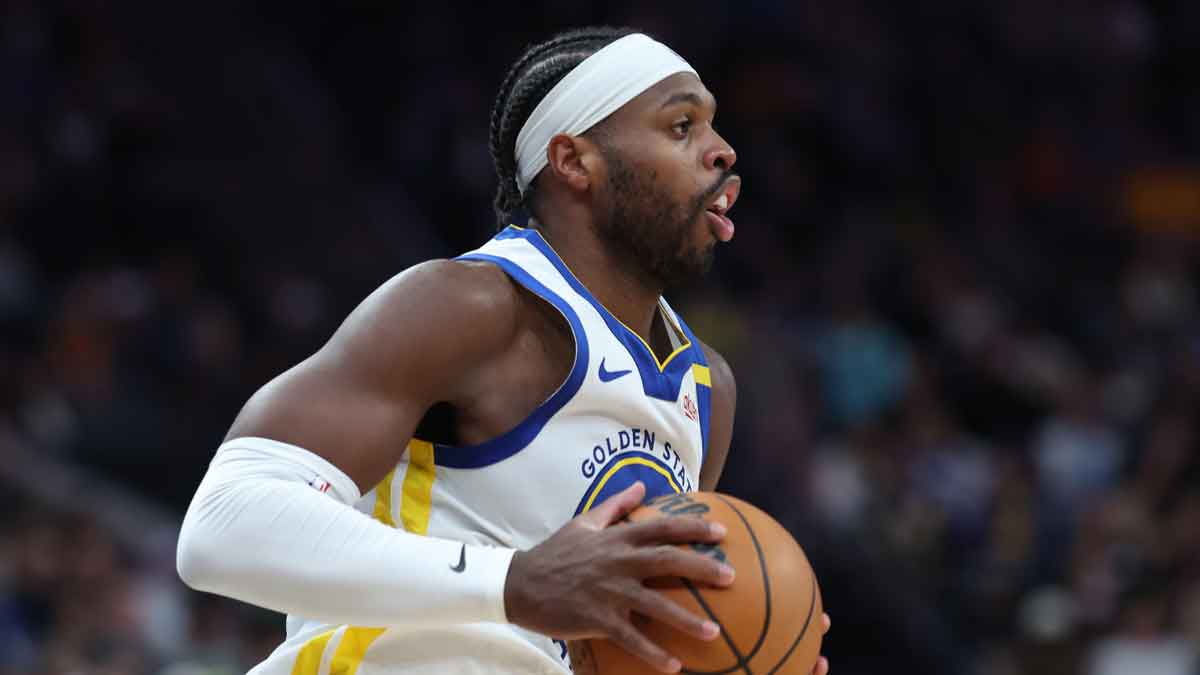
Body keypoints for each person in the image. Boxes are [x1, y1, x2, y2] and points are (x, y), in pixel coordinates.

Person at [176, 26, 831, 675]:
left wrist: (745, 649)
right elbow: (224, 527)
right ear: (574, 161)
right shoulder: (471, 305)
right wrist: (513, 581)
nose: (722, 152)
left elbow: (608, 644)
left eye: (714, 127)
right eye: (682, 125)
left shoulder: (707, 389)